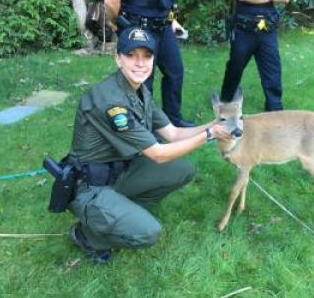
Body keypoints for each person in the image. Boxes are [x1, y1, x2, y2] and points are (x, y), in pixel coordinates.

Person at [66, 27, 230, 263]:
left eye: (147, 56)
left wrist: (214, 124)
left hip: (119, 172)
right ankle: (87, 235)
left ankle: (119, 212)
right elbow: (158, 154)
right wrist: (209, 134)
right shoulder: (112, 102)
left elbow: (172, 134)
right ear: (118, 59)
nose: (140, 63)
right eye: (131, 55)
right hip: (89, 187)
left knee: (183, 169)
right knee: (148, 232)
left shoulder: (139, 91)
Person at [104, 0, 195, 127]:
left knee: (175, 72)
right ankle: (144, 127)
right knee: (142, 80)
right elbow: (110, 0)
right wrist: (116, 23)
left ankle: (173, 121)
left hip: (163, 28)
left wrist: (172, 21)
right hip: (138, 27)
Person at [220, 0, 291, 111]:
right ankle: (225, 100)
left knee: (272, 71)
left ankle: (274, 108)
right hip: (243, 30)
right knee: (235, 67)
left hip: (268, 31)